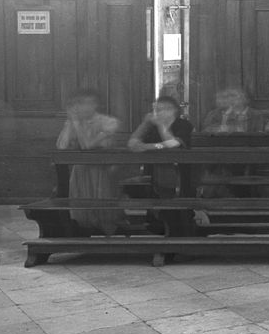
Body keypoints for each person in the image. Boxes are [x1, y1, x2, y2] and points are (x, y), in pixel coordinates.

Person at [56, 89, 121, 234]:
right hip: (81, 169)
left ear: (96, 105)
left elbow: (88, 146)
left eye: (88, 103)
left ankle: (109, 241)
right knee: (80, 207)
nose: (84, 107)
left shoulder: (109, 122)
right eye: (80, 104)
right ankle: (84, 236)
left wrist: (76, 123)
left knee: (103, 208)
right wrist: (70, 123)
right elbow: (61, 146)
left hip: (102, 169)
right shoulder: (75, 121)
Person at [126, 93, 195, 198]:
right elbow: (132, 144)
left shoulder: (183, 124)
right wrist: (144, 124)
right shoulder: (152, 126)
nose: (159, 113)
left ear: (174, 110)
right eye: (157, 109)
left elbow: (173, 143)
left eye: (164, 109)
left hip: (178, 171)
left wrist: (160, 126)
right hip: (153, 169)